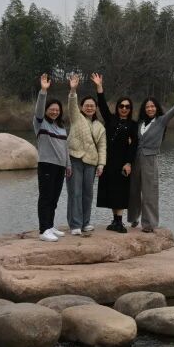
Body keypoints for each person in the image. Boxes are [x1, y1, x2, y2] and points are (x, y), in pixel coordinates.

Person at [128, 88, 174, 232]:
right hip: (136, 159)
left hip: (150, 160)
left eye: (152, 106)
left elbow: (171, 113)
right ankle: (133, 218)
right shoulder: (140, 123)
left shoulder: (161, 121)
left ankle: (149, 224)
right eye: (147, 107)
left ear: (156, 108)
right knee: (133, 191)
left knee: (149, 193)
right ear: (144, 109)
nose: (150, 109)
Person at [91, 73, 137, 233]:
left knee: (121, 191)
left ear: (130, 109)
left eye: (127, 107)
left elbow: (134, 146)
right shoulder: (111, 119)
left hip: (122, 162)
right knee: (111, 190)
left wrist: (129, 162)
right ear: (117, 107)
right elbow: (102, 105)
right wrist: (99, 87)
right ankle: (115, 221)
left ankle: (119, 221)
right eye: (121, 106)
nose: (124, 109)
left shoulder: (133, 125)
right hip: (108, 160)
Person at [65, 73, 107, 236]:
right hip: (74, 158)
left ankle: (85, 222)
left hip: (91, 162)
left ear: (95, 108)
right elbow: (71, 105)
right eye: (86, 105)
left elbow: (102, 147)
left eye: (92, 106)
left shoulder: (99, 126)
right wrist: (73, 90)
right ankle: (75, 224)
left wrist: (101, 164)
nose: (89, 108)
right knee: (75, 193)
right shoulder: (76, 118)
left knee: (88, 194)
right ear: (82, 107)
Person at [33, 74, 69, 242]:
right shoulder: (41, 123)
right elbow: (39, 109)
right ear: (46, 110)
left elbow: (65, 147)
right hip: (47, 164)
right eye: (51, 109)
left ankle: (50, 225)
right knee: (45, 197)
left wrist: (68, 165)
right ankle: (43, 230)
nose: (54, 111)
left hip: (60, 166)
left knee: (54, 198)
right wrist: (43, 91)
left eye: (57, 110)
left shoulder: (61, 127)